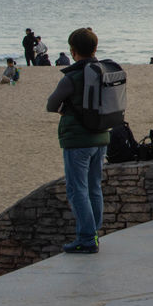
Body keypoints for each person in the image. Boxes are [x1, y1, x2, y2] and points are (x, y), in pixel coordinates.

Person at [45, 28, 110, 253]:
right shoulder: (105, 70)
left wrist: (67, 110)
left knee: (77, 189)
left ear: (73, 51)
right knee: (94, 187)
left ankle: (86, 237)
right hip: (101, 136)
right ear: (95, 48)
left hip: (77, 140)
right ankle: (94, 232)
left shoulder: (72, 76)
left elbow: (51, 104)